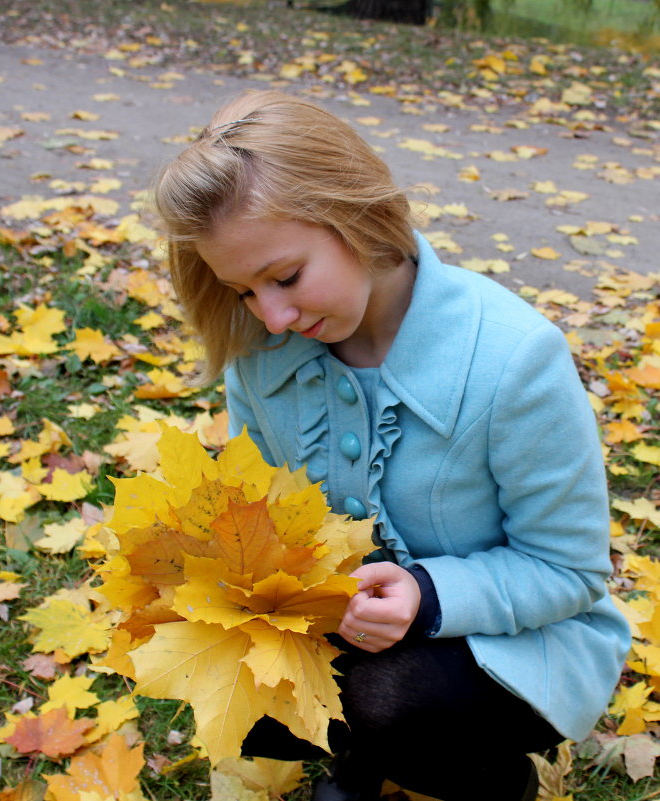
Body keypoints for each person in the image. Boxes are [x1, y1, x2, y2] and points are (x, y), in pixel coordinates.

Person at [151, 90, 630, 801]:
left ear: (356, 214)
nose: (272, 313)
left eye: (284, 276)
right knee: (211, 664)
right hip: (344, 619)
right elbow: (269, 513)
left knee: (393, 701)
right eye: (243, 290)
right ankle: (365, 755)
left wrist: (429, 593)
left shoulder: (510, 358)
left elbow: (566, 568)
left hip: (517, 636)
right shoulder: (262, 351)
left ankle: (490, 778)